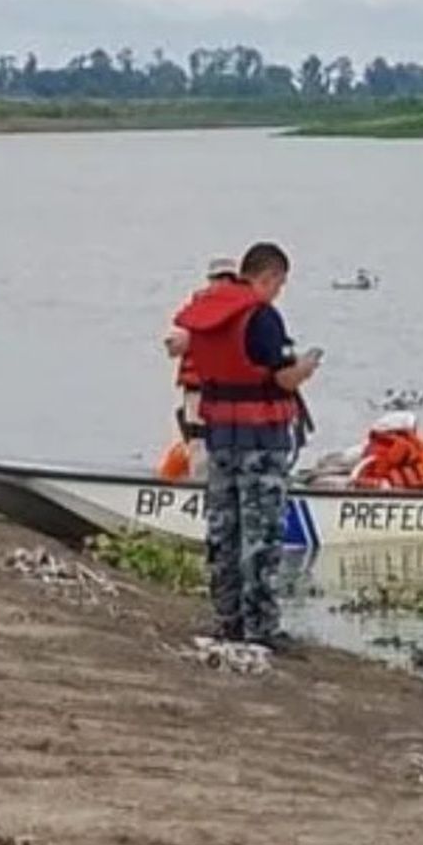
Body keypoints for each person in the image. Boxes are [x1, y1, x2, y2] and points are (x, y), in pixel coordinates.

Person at [174, 242, 318, 650]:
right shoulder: (261, 317)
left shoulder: (209, 314)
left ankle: (228, 619)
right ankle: (261, 627)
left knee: (224, 531)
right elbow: (281, 379)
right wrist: (304, 368)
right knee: (261, 535)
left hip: (220, 437)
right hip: (261, 442)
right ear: (268, 277)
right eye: (279, 284)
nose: (278, 293)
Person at [159, 256, 239, 481]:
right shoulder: (197, 308)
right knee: (199, 443)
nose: (223, 284)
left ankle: (212, 487)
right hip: (198, 390)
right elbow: (173, 345)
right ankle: (200, 484)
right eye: (219, 278)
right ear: (210, 281)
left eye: (228, 278)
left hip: (225, 392)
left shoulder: (242, 310)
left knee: (219, 445)